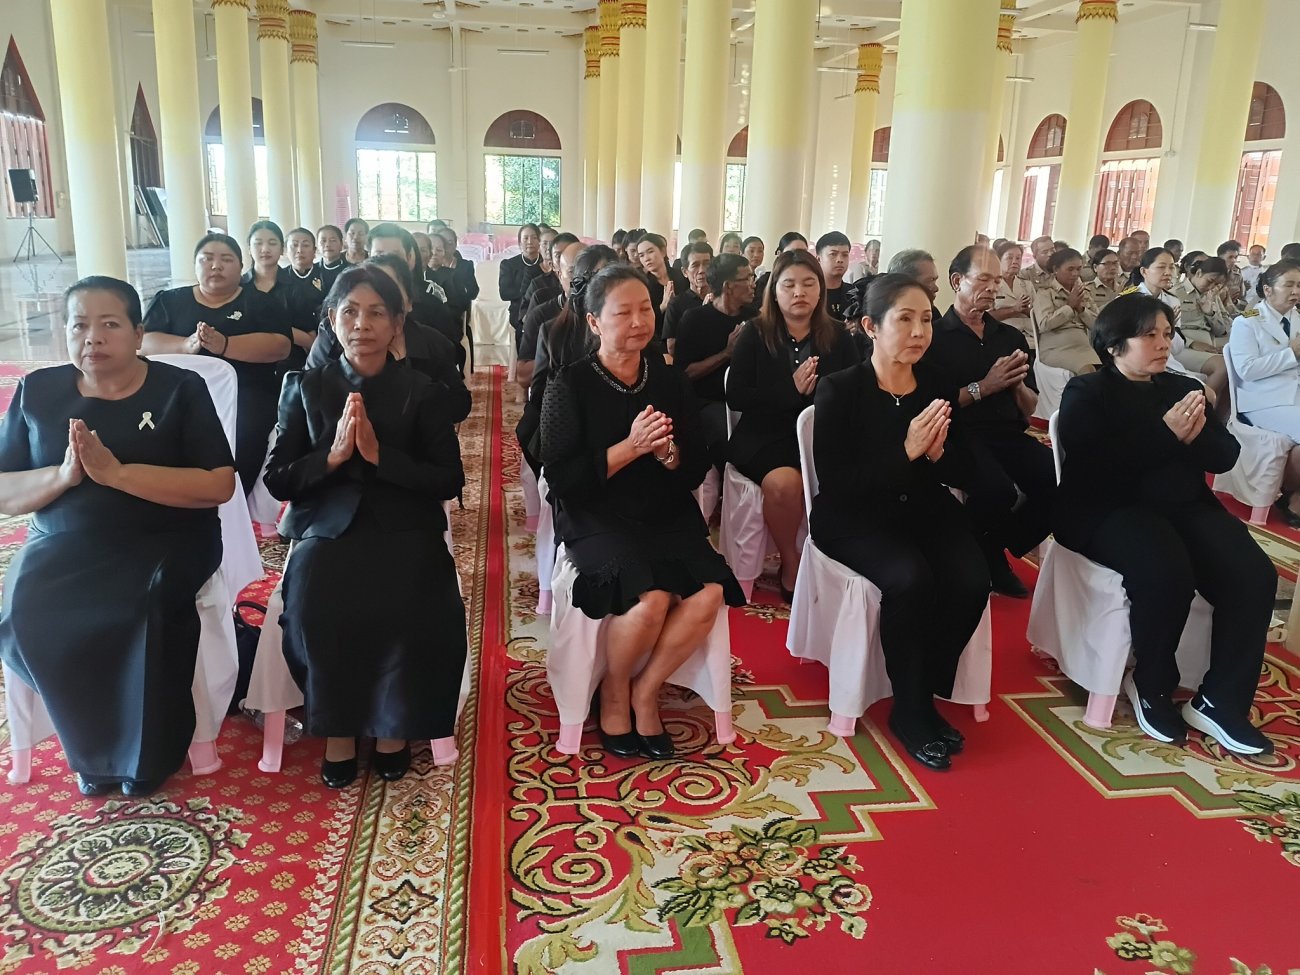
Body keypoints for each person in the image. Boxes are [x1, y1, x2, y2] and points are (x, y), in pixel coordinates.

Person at [0, 276, 236, 796]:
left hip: (166, 537)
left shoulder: (178, 388)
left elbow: (218, 484)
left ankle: (146, 757)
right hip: (63, 540)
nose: (93, 338)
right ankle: (91, 752)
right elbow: (5, 489)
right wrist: (63, 477)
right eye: (79, 326)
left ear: (138, 333)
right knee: (28, 606)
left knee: (142, 607)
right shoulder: (39, 391)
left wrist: (118, 474)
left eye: (109, 324)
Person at [266, 265, 467, 787]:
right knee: (315, 603)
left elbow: (448, 478)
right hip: (327, 526)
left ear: (397, 323)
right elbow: (278, 479)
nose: (362, 324)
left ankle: (392, 728)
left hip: (405, 523)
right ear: (332, 320)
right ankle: (337, 729)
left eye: (377, 312)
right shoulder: (305, 387)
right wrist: (331, 459)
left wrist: (381, 458)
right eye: (350, 312)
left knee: (411, 600)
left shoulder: (422, 391)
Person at [539, 264, 745, 760]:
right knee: (650, 599)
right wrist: (629, 449)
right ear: (594, 322)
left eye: (645, 309)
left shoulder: (668, 379)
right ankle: (613, 691)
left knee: (709, 593)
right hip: (596, 512)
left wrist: (667, 454)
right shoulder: (569, 383)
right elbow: (562, 479)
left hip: (662, 506)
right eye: (622, 313)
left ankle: (645, 690)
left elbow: (694, 463)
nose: (638, 322)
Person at [1055, 293, 1274, 756]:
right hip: (1109, 509)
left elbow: (1225, 455)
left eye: (1167, 334)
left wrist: (1192, 438)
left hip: (1184, 507)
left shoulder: (1180, 388)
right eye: (1149, 335)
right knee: (1167, 571)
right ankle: (1152, 683)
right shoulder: (1088, 392)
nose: (1162, 344)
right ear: (1114, 345)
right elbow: (1094, 467)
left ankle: (1221, 701)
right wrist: (1165, 435)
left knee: (1254, 574)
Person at [812, 274, 990, 770]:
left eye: (927, 320)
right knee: (911, 579)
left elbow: (966, 469)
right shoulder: (840, 389)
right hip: (854, 516)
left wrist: (936, 456)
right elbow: (839, 483)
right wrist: (906, 452)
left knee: (972, 579)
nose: (918, 332)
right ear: (871, 326)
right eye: (905, 319)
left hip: (922, 506)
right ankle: (911, 710)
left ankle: (923, 687)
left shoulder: (936, 384)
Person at [726, 250, 861, 600]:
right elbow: (736, 395)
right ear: (774, 291)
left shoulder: (839, 336)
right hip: (765, 436)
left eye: (808, 284)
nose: (799, 292)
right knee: (785, 485)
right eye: (789, 285)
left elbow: (854, 393)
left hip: (821, 436)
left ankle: (837, 561)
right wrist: (790, 389)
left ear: (820, 290)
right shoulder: (755, 333)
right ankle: (791, 561)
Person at [922, 246, 1054, 598]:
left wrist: (1014, 386)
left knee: (1058, 479)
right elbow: (933, 402)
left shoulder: (1009, 337)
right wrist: (985, 386)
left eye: (996, 281)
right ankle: (989, 557)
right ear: (957, 281)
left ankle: (993, 544)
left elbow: (1029, 405)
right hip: (959, 434)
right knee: (997, 490)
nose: (993, 288)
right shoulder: (935, 337)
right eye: (983, 279)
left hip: (1008, 433)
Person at [141, 233, 292, 495]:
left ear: (241, 266)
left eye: (226, 259)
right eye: (207, 259)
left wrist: (225, 345)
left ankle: (233, 501)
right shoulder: (170, 301)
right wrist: (185, 345)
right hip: (177, 395)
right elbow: (142, 342)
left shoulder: (260, 302)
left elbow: (281, 346)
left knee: (245, 434)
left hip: (246, 395)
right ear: (195, 264)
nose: (216, 266)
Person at [307, 254, 472, 424]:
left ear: (408, 303)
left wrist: (419, 406)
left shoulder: (432, 346)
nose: (362, 324)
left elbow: (459, 404)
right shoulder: (330, 341)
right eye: (351, 310)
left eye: (387, 290)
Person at [1225, 260, 1300, 525]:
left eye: (1299, 285)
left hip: (1294, 397)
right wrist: (1291, 354)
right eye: (1288, 285)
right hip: (1263, 400)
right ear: (1268, 290)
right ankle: (1293, 497)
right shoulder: (1247, 321)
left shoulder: (1297, 319)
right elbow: (1246, 369)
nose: (1295, 291)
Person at [674, 253, 754, 472]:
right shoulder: (695, 319)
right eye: (747, 278)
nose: (753, 284)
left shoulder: (754, 317)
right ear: (728, 286)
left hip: (746, 399)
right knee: (727, 436)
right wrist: (727, 353)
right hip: (708, 401)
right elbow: (685, 373)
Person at [518, 233, 582, 390]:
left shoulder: (604, 312)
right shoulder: (541, 303)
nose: (580, 277)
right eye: (559, 256)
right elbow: (523, 375)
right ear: (555, 267)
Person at [1032, 247, 1099, 374]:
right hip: (1056, 348)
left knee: (1107, 372)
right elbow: (1044, 324)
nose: (1075, 274)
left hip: (1084, 347)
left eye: (1079, 269)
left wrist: (1081, 310)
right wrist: (1069, 307)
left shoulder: (1084, 292)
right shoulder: (1045, 292)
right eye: (1070, 269)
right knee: (1087, 371)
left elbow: (1098, 325)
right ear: (1056, 269)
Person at [1172, 256, 1232, 371]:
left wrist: (1210, 314)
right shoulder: (1176, 293)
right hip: (1184, 346)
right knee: (1223, 367)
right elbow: (1167, 328)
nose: (1211, 287)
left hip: (1211, 345)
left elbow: (1221, 331)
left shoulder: (1212, 296)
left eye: (1216, 284)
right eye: (1210, 281)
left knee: (1234, 363)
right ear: (1199, 273)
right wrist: (1192, 343)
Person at [636, 232, 690, 350]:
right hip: (658, 341)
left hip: (686, 333)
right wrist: (663, 306)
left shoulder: (681, 276)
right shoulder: (642, 284)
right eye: (641, 255)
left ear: (663, 251)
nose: (646, 258)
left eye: (650, 251)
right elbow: (642, 318)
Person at [500, 223, 545, 352]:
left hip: (543, 308)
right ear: (520, 242)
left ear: (539, 241)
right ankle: (524, 360)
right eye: (525, 238)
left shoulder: (546, 263)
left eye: (534, 237)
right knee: (526, 327)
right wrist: (527, 293)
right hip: (519, 310)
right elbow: (504, 293)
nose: (530, 242)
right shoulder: (508, 265)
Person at [664, 241, 714, 356]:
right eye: (695, 265)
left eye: (707, 264)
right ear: (685, 272)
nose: (702, 270)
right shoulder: (676, 304)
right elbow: (672, 348)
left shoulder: (721, 300)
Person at [991, 240, 1034, 345]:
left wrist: (1027, 310)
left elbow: (1038, 314)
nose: (1015, 262)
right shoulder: (992, 285)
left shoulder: (1027, 285)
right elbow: (985, 316)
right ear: (999, 260)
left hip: (1030, 336)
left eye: (1018, 258)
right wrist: (1014, 309)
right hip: (1002, 336)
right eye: (1009, 258)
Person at [754, 231, 809, 304]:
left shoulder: (813, 278)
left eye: (804, 252)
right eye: (792, 252)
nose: (799, 257)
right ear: (779, 254)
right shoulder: (764, 282)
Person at [888, 248, 942, 321]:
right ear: (905, 282)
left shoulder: (933, 314)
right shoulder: (882, 315)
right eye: (929, 281)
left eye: (935, 280)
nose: (936, 288)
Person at [816, 231, 854, 321]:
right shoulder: (811, 293)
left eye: (845, 255)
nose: (840, 260)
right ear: (818, 259)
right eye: (833, 254)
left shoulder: (854, 294)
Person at [317, 224, 347, 293]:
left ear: (341, 244)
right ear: (317, 246)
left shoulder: (350, 271)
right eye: (323, 241)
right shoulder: (312, 270)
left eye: (333, 240)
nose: (327, 244)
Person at [1218, 240, 1245, 306]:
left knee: (1256, 311)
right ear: (1220, 258)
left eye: (1235, 257)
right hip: (1215, 310)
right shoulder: (1211, 275)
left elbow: (1242, 298)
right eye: (1230, 257)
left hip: (1233, 309)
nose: (1233, 260)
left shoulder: (1237, 276)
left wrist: (1235, 301)